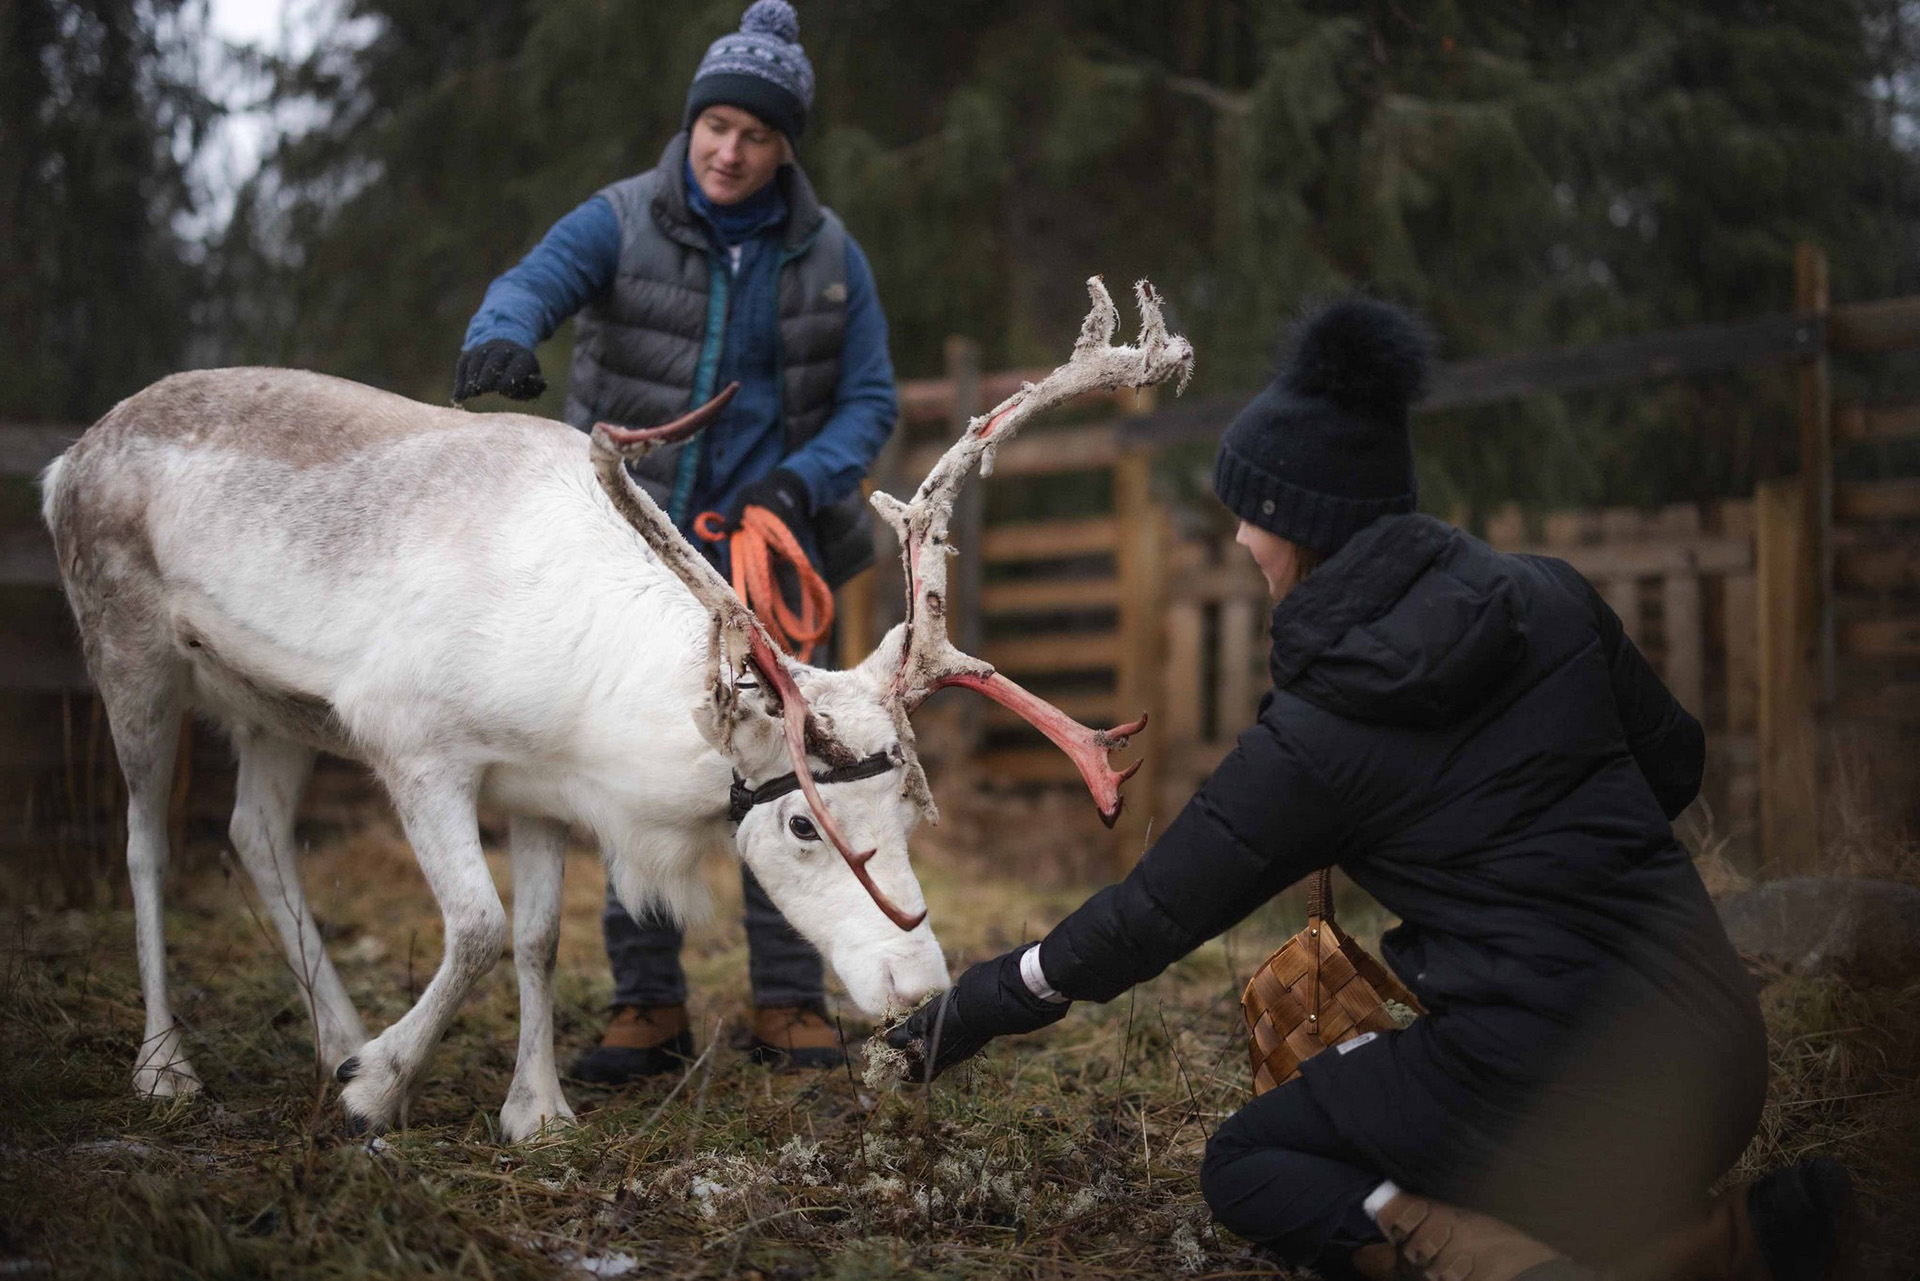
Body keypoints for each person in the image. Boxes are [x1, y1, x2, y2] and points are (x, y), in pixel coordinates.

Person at [888, 299, 1851, 1281]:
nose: (1236, 542)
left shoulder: (1319, 736)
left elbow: (1149, 918)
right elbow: (1674, 766)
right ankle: (1693, 1240)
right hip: (1720, 1060)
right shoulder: (1550, 595)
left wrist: (990, 998)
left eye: (1249, 516)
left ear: (1303, 527)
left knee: (1254, 1161)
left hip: (1556, 1090)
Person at [454, 0, 897, 1082]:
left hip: (763, 551)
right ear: (690, 124)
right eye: (716, 128)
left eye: (754, 134)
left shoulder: (830, 256)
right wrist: (501, 339)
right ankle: (645, 1007)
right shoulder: (620, 219)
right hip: (624, 550)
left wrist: (802, 481)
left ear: (784, 143)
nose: (729, 151)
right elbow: (529, 285)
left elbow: (869, 400)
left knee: (782, 764)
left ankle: (790, 1005)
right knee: (626, 763)